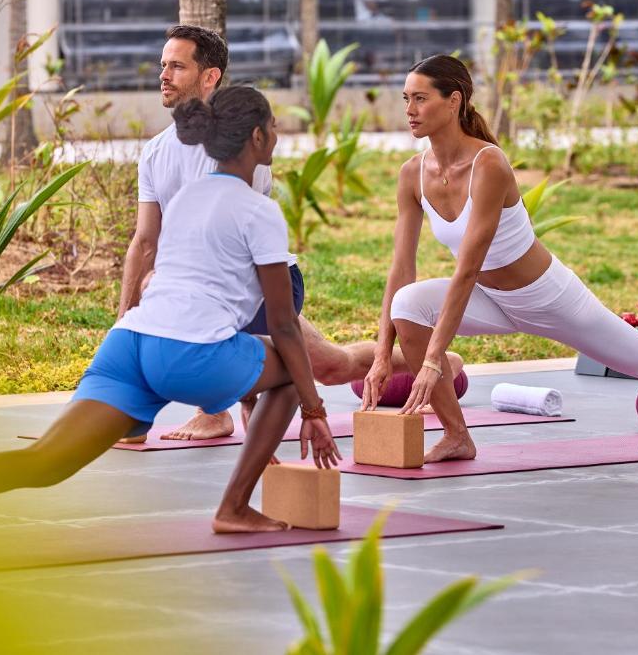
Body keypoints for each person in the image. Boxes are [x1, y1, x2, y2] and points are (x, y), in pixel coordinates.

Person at [0, 86, 341, 555]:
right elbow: (284, 326)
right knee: (291, 371)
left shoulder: (187, 198)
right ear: (259, 138)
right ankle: (234, 508)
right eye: (275, 129)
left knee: (44, 462)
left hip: (129, 344)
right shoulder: (260, 210)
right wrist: (315, 411)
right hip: (192, 354)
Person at [360, 54, 638, 462]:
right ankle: (457, 436)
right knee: (408, 303)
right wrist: (383, 355)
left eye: (420, 98)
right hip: (489, 299)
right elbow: (401, 268)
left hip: (547, 296)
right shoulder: (411, 174)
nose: (410, 110)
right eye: (405, 99)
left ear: (454, 101)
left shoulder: (489, 164)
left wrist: (434, 359)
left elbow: (467, 267)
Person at [119, 25, 461, 442]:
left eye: (177, 66)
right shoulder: (155, 152)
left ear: (210, 77)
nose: (164, 75)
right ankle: (433, 358)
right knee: (334, 366)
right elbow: (145, 241)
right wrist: (123, 320)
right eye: (163, 66)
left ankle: (212, 411)